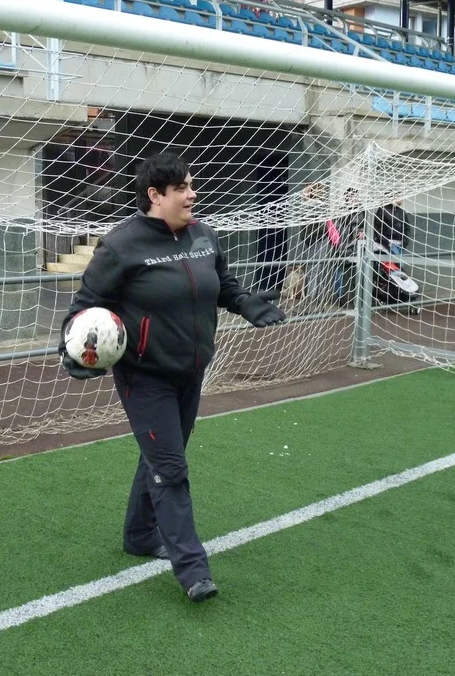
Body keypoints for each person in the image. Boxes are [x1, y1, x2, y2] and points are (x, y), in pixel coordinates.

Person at [59, 152, 285, 603]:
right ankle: (193, 570)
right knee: (170, 469)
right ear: (155, 195)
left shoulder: (204, 235)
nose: (192, 195)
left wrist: (245, 302)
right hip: (145, 377)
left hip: (192, 370)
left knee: (163, 456)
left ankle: (139, 536)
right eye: (182, 188)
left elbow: (222, 284)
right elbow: (83, 307)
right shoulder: (121, 246)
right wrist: (75, 352)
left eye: (190, 186)